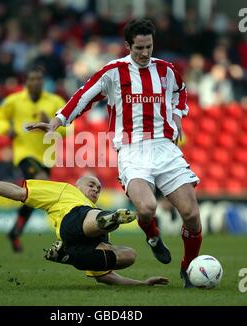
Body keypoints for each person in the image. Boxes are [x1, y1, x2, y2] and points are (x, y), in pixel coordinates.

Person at [26, 18, 202, 288]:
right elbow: (83, 96)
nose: (145, 53)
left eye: (149, 47)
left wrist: (178, 116)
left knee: (191, 214)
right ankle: (152, 236)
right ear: (127, 45)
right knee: (146, 208)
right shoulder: (113, 72)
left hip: (165, 148)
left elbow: (180, 93)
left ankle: (188, 268)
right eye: (139, 48)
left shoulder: (167, 71)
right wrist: (56, 122)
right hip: (132, 150)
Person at [0, 171, 169, 286]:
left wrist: (142, 284)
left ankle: (67, 255)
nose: (96, 188)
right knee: (94, 215)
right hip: (72, 222)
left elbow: (105, 276)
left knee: (129, 255)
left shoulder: (94, 212)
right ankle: (111, 217)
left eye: (98, 187)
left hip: (81, 249)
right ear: (77, 186)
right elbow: (18, 192)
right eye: (91, 184)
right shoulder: (64, 191)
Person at [0, 66, 67, 252]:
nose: (36, 82)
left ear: (44, 81)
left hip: (47, 156)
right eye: (32, 79)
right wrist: (5, 130)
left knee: (35, 196)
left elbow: (67, 130)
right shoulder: (14, 101)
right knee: (41, 183)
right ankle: (64, 233)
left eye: (39, 79)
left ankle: (15, 231)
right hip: (24, 153)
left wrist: (51, 123)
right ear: (25, 81)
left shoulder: (55, 101)